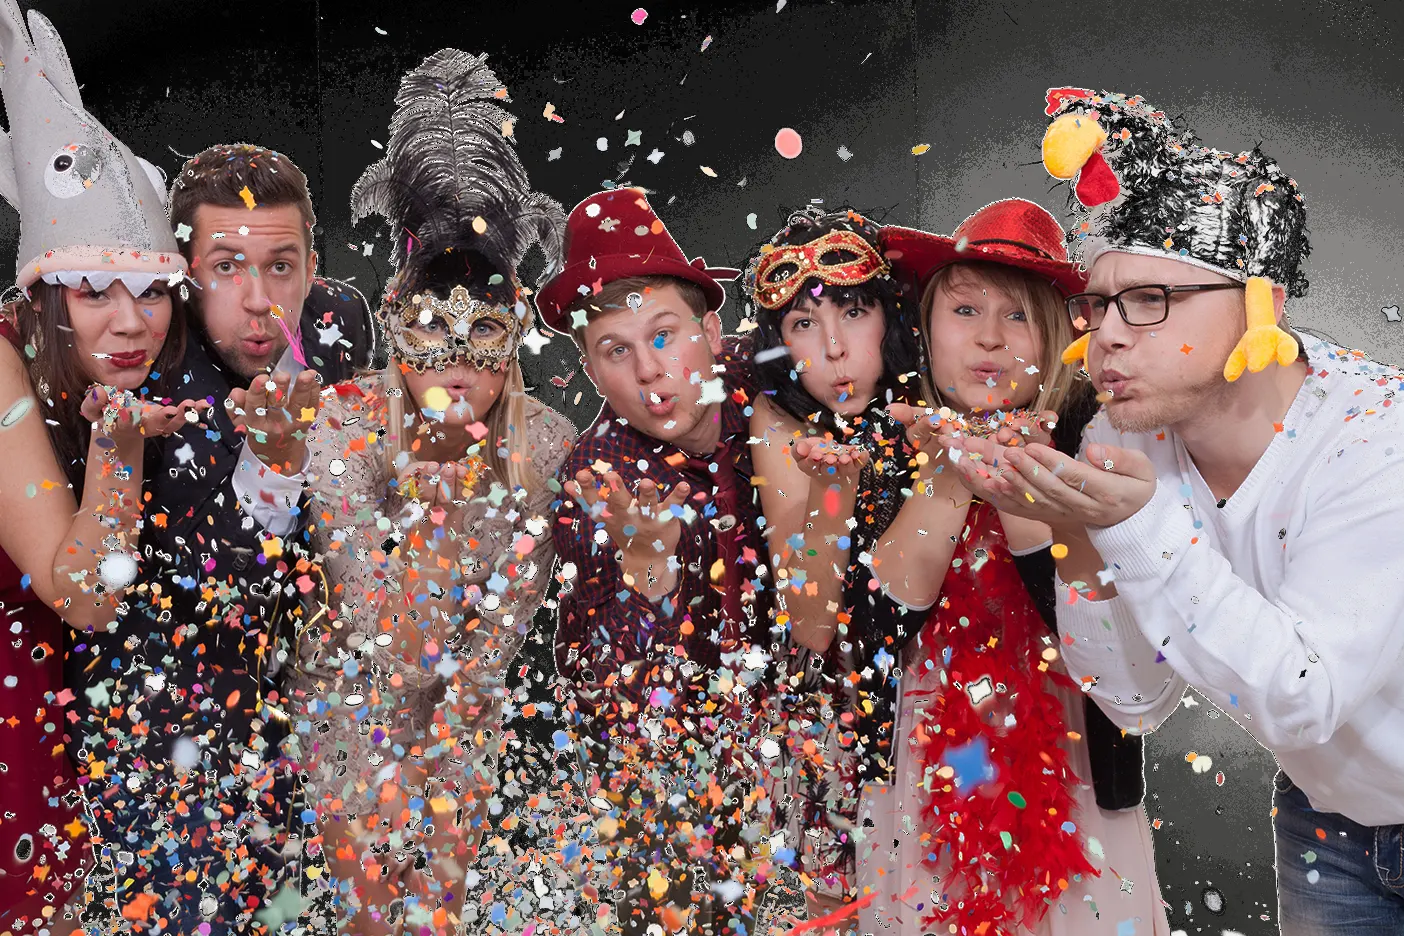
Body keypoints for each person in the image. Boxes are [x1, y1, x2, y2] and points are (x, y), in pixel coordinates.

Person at [950, 86, 1403, 936]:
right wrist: (1077, 540)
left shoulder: (1379, 439)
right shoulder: (1128, 439)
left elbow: (1303, 696)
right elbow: (1131, 700)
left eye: (1151, 300)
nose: (1109, 336)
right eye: (1100, 304)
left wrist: (1134, 525)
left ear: (1257, 302)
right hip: (1328, 823)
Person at [283, 49, 576, 935]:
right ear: (398, 327)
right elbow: (383, 638)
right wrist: (434, 524)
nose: (452, 370)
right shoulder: (344, 423)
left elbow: (488, 652)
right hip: (349, 701)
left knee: (438, 914)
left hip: (463, 710)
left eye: (479, 335)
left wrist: (448, 776)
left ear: (513, 337)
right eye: (429, 337)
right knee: (375, 917)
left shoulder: (547, 447)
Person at [60, 138, 376, 926]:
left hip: (299, 707)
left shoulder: (339, 324)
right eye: (227, 266)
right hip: (159, 703)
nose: (261, 299)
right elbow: (211, 594)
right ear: (185, 273)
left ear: (313, 265)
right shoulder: (148, 362)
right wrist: (270, 463)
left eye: (282, 266)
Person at [846, 199, 1169, 935]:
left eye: (1017, 316)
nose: (989, 338)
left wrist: (1029, 482)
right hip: (930, 773)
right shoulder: (885, 447)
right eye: (965, 309)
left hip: (1073, 774)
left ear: (1056, 336)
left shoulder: (1107, 447)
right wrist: (953, 476)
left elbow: (1121, 659)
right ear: (926, 327)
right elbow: (869, 637)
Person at [0, 2, 213, 927]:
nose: (129, 322)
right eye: (92, 291)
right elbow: (84, 592)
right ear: (44, 295)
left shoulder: (193, 380)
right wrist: (118, 452)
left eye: (150, 291)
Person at [536, 188, 774, 935]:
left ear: (712, 329)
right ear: (592, 371)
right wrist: (649, 565)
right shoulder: (596, 479)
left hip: (813, 741)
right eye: (617, 350)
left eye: (664, 335)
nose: (649, 370)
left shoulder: (779, 394)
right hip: (680, 780)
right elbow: (626, 690)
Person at [743, 206, 926, 921]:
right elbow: (813, 625)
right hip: (836, 711)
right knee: (836, 906)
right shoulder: (781, 421)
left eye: (852, 311)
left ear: (890, 314)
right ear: (780, 344)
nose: (835, 350)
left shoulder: (940, 397)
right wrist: (834, 488)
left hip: (943, 697)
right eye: (803, 326)